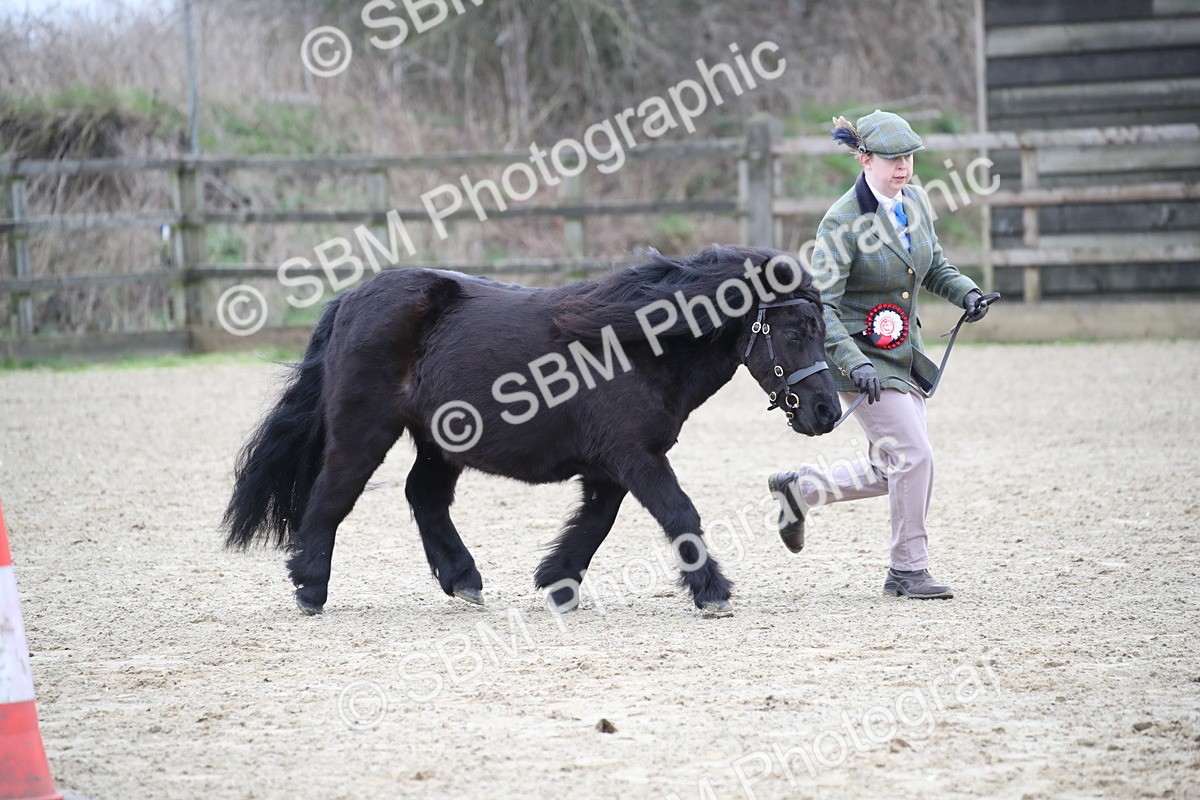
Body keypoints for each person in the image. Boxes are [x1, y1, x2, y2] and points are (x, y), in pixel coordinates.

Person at [768, 110, 989, 599]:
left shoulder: (915, 203)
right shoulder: (841, 222)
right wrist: (855, 364)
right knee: (914, 457)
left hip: (904, 355)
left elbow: (932, 267)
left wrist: (967, 293)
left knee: (897, 467)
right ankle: (908, 569)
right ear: (865, 159)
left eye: (908, 157)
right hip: (858, 361)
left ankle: (800, 490)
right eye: (892, 159)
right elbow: (819, 308)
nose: (904, 167)